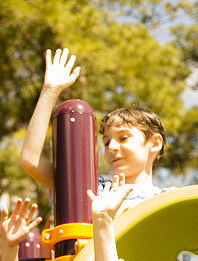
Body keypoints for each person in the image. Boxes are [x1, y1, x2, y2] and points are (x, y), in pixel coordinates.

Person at [19, 48, 171, 213]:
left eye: (123, 138)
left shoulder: (166, 200)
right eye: (106, 142)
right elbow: (30, 160)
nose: (111, 146)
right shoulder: (91, 189)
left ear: (154, 143)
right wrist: (50, 91)